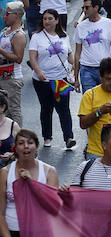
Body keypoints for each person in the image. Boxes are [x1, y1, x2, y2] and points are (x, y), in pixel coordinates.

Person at [28, 9, 76, 149]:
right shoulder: (37, 37)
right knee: (46, 108)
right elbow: (32, 57)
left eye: (50, 19)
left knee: (63, 109)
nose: (47, 21)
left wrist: (74, 66)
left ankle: (68, 138)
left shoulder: (64, 36)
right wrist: (38, 71)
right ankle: (47, 137)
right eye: (44, 19)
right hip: (42, 80)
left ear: (56, 20)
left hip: (60, 79)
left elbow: (69, 54)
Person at [73, 0, 111, 92]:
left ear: (96, 8)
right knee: (90, 101)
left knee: (107, 98)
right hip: (87, 69)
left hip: (106, 69)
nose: (84, 10)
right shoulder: (80, 27)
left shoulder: (109, 23)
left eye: (87, 7)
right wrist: (76, 77)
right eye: (83, 8)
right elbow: (77, 53)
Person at [0, 1, 26, 126]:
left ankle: (18, 139)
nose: (4, 16)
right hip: (2, 77)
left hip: (11, 78)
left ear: (16, 15)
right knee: (5, 111)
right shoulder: (5, 31)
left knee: (14, 110)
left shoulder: (19, 35)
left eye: (7, 13)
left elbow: (18, 58)